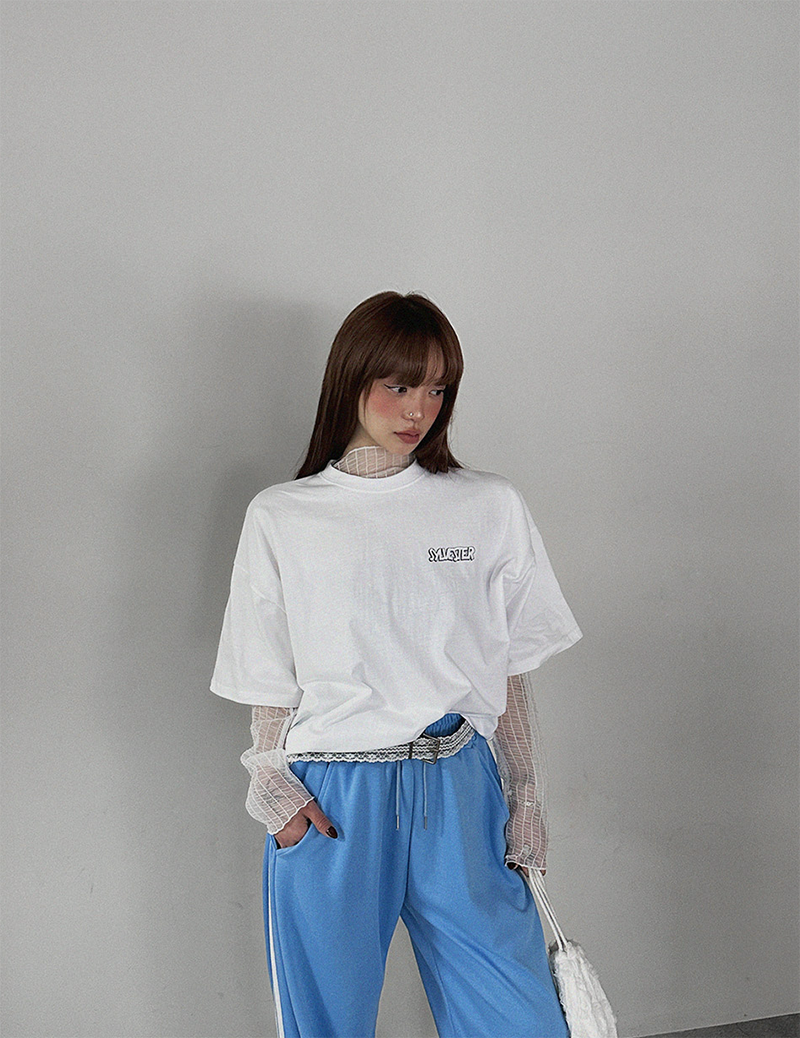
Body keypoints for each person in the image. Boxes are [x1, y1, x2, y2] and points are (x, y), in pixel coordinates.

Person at [210, 291, 583, 1038]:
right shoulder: (283, 515)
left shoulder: (488, 505)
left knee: (520, 1019)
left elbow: (508, 670)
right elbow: (269, 679)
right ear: (351, 379)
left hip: (459, 784)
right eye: (399, 385)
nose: (419, 410)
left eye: (438, 389)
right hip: (333, 800)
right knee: (327, 1024)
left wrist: (526, 798)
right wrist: (274, 791)